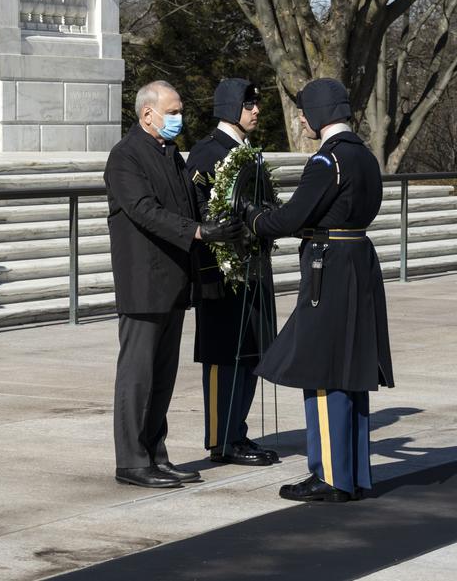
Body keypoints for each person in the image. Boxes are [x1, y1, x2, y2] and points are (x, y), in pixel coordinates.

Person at [244, 78, 393, 503]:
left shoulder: (328, 161)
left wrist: (255, 219)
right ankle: (354, 475)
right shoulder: (364, 156)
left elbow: (292, 217)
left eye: (306, 111)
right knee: (351, 371)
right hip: (358, 258)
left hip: (330, 266)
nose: (303, 119)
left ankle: (329, 476)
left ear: (319, 114)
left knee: (323, 369)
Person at [103, 80, 242, 489]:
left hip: (174, 281)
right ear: (148, 114)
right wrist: (199, 232)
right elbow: (145, 211)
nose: (179, 118)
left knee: (161, 377)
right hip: (144, 283)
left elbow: (187, 202)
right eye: (173, 110)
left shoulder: (170, 155)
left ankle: (155, 454)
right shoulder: (125, 157)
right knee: (138, 375)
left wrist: (220, 218)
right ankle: (131, 460)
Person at [185, 78, 280, 466]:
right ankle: (221, 439)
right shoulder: (207, 154)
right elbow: (196, 211)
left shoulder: (247, 153)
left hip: (253, 268)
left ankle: (237, 432)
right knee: (223, 357)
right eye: (249, 104)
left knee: (251, 353)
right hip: (221, 272)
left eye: (256, 103)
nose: (256, 110)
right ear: (229, 108)